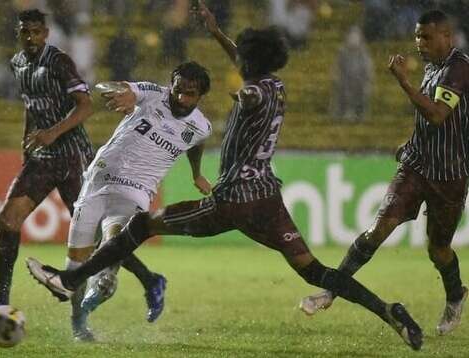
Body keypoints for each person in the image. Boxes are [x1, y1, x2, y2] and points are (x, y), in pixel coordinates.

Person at [26, 1, 423, 351]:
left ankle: (69, 279)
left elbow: (251, 92)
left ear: (250, 64)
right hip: (268, 199)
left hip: (232, 199)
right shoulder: (277, 83)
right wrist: (216, 32)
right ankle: (388, 311)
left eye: (243, 61)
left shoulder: (257, 91)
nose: (240, 65)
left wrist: (242, 96)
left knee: (142, 224)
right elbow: (248, 66)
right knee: (312, 269)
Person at [0, 10, 166, 342]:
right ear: (19, 34)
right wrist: (28, 140)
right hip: (43, 157)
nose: (30, 37)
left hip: (73, 157)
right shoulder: (18, 63)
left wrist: (52, 132)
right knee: (7, 221)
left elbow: (85, 105)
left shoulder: (59, 61)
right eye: (24, 32)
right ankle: (0, 298)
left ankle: (149, 280)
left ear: (45, 33)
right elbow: (33, 106)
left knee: (91, 240)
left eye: (35, 31)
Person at [300, 9, 469, 336]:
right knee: (378, 230)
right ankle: (331, 289)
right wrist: (410, 144)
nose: (420, 42)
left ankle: (455, 295)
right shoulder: (434, 66)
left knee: (439, 249)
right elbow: (430, 124)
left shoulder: (459, 68)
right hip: (417, 166)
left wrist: (403, 81)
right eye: (417, 36)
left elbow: (437, 115)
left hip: (450, 175)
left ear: (447, 37)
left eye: (427, 37)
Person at [66, 61, 212, 341]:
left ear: (200, 95)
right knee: (76, 266)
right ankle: (78, 326)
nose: (180, 98)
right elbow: (122, 89)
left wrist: (197, 173)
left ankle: (135, 282)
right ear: (171, 85)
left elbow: (196, 143)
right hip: (98, 179)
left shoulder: (201, 127)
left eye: (189, 94)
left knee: (112, 246)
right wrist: (123, 93)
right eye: (177, 90)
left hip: (136, 189)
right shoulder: (153, 93)